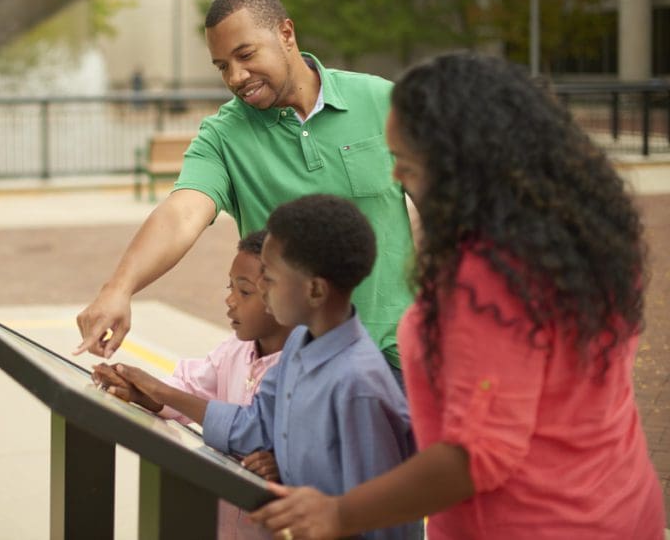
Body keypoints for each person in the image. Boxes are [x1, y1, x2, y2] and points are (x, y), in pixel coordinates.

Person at [249, 52, 666, 539]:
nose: (396, 177)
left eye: (405, 162)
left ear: (462, 164)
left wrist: (341, 513)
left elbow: (475, 457)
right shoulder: (583, 237)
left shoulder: (487, 278)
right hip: (623, 507)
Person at [76, 0, 414, 390]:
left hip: (402, 357)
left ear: (286, 34)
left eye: (245, 55)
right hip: (299, 371)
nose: (236, 77)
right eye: (222, 66)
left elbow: (446, 206)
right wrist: (120, 288)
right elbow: (182, 213)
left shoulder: (380, 100)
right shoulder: (222, 136)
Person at [101, 195, 418, 540]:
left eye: (270, 279)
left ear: (314, 290)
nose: (263, 292)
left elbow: (384, 518)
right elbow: (257, 425)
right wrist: (157, 392)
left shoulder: (359, 386)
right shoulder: (301, 346)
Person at [93, 229, 292, 540]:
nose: (230, 301)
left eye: (245, 291)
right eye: (230, 287)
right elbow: (190, 386)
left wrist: (286, 465)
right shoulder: (236, 349)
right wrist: (142, 393)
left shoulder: (302, 368)